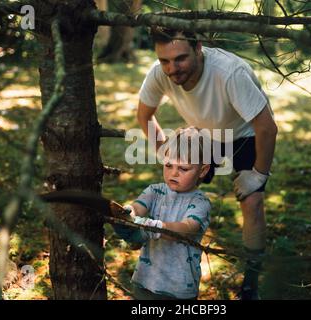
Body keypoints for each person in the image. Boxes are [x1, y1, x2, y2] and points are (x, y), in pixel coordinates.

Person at [136, 27, 278, 300]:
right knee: (177, 187)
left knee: (252, 202)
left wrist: (258, 175)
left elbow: (267, 128)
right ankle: (170, 265)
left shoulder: (229, 73)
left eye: (180, 59)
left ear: (198, 48)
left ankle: (251, 282)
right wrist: (164, 150)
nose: (172, 69)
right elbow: (144, 115)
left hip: (245, 132)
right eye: (165, 60)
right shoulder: (159, 73)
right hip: (203, 131)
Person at [114, 127, 212, 300]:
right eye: (168, 165)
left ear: (202, 171)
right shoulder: (154, 191)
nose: (174, 173)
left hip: (179, 287)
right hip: (146, 279)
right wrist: (126, 213)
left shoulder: (200, 202)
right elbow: (138, 207)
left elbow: (187, 228)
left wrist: (153, 226)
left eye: (183, 168)